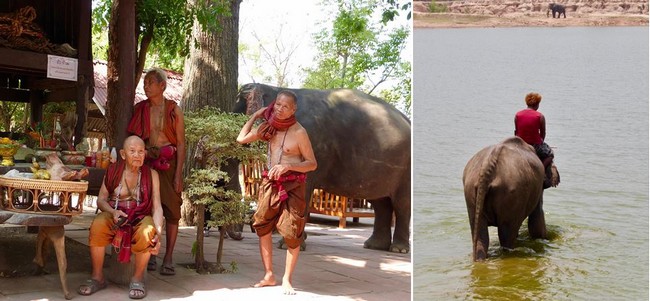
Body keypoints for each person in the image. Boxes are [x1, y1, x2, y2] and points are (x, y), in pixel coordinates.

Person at [236, 90, 317, 295]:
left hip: (294, 186)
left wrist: (289, 167)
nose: (280, 109)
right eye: (278, 104)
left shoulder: (300, 132)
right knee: (262, 226)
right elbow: (241, 138)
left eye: (285, 106)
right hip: (270, 184)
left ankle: (287, 280)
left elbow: (312, 164)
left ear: (293, 109)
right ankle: (268, 275)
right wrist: (255, 116)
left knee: (292, 232)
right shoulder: (269, 127)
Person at [78, 135, 163, 299]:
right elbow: (101, 200)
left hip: (139, 215)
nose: (137, 155)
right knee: (98, 224)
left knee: (148, 231)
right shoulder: (113, 170)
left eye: (141, 152)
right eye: (133, 151)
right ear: (123, 154)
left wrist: (158, 233)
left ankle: (137, 278)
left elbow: (157, 206)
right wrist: (112, 212)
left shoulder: (152, 175)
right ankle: (97, 277)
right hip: (115, 214)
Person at [127, 67, 185, 276]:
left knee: (172, 211)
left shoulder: (173, 110)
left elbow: (180, 143)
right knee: (145, 207)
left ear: (162, 85)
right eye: (145, 82)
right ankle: (150, 253)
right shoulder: (140, 108)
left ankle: (168, 257)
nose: (146, 86)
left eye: (151, 82)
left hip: (168, 166)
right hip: (148, 164)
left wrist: (178, 174)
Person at [514, 92, 559, 188]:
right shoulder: (540, 116)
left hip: (519, 143)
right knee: (550, 154)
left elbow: (516, 131)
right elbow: (543, 134)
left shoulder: (517, 115)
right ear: (537, 104)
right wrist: (540, 141)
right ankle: (541, 169)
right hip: (534, 144)